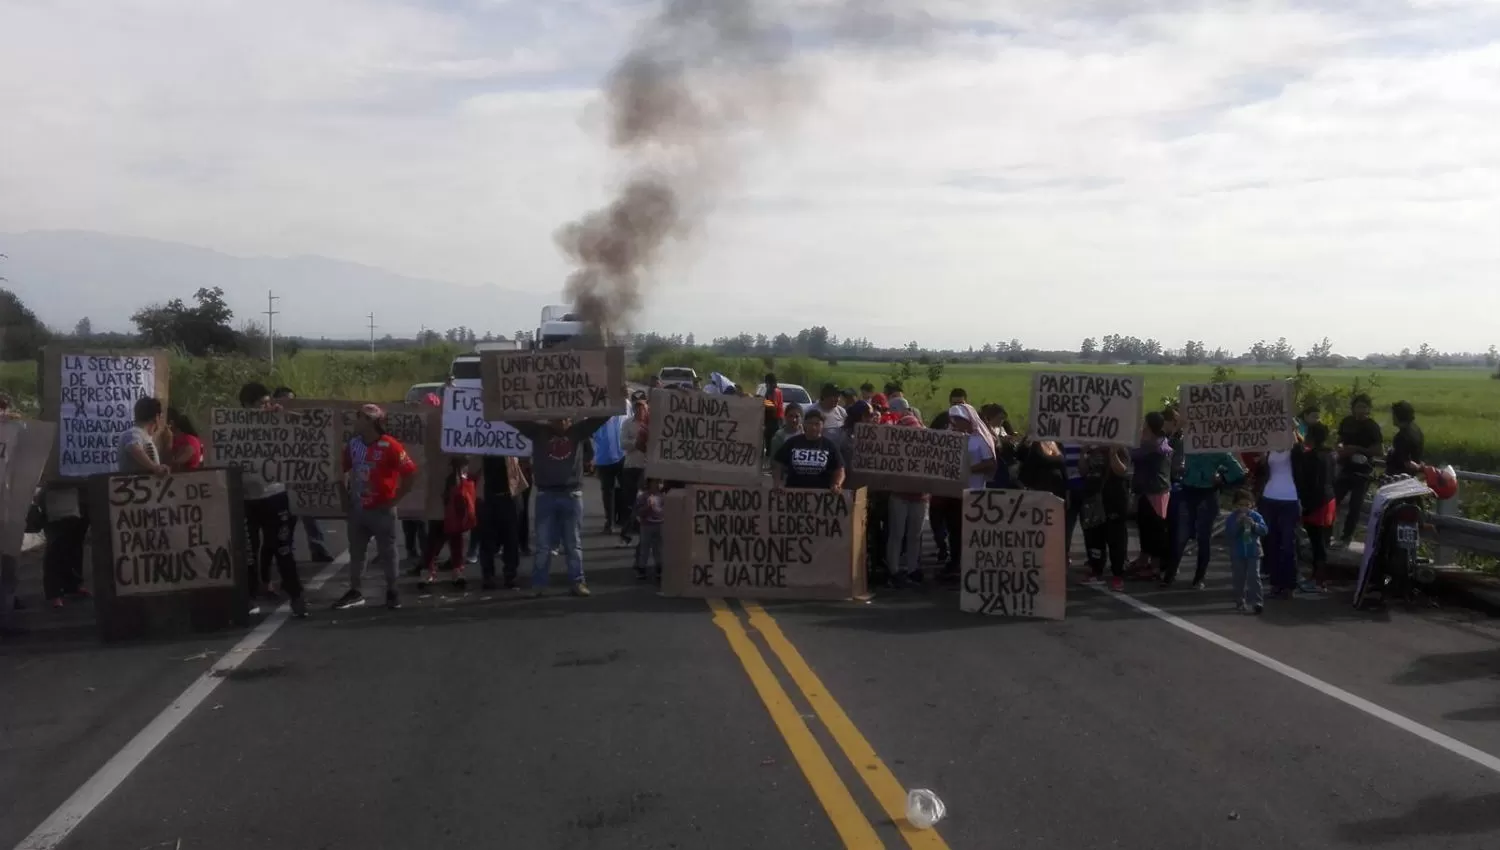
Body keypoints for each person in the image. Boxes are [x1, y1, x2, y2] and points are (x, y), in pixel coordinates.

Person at [508, 417, 613, 597]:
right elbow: (512, 418)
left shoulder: (579, 431)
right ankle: (539, 584)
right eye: (559, 417)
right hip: (546, 494)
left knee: (573, 544)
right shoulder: (537, 431)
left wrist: (617, 397)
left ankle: (577, 582)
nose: (563, 421)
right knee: (543, 545)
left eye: (567, 418)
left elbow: (602, 415)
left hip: (572, 493)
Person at [333, 403, 419, 611]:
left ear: (371, 422)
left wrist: (396, 498)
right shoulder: (353, 444)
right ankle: (355, 591)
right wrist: (344, 496)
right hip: (358, 507)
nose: (356, 421)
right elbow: (341, 470)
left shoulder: (390, 445)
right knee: (357, 551)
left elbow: (411, 472)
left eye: (360, 418)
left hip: (382, 508)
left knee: (388, 551)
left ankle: (392, 591)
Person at [237, 382, 309, 618]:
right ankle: (248, 597)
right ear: (246, 406)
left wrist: (283, 417)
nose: (265, 408)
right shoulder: (234, 427)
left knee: (283, 547)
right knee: (248, 551)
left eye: (267, 403)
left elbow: (306, 428)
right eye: (260, 404)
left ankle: (296, 594)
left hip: (274, 495)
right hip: (247, 498)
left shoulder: (277, 420)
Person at [271, 388, 334, 563]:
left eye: (292, 400)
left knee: (309, 514)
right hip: (281, 480)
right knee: (285, 520)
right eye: (284, 401)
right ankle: (287, 552)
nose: (288, 404)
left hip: (302, 475)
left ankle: (317, 548)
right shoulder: (268, 419)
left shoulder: (303, 418)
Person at [1171, 449, 1247, 589]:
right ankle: (1170, 573)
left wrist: (1222, 478)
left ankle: (1199, 577)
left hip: (1207, 494)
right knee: (1181, 535)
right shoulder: (1190, 444)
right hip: (1187, 491)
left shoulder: (1218, 449)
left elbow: (1238, 472)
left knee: (1203, 537)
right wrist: (1181, 470)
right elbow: (1178, 462)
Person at [943, 403, 997, 580]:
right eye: (954, 419)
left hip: (974, 492)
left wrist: (969, 468)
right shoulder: (951, 436)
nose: (956, 422)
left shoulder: (980, 439)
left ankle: (971, 564)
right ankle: (955, 562)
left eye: (960, 419)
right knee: (954, 529)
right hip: (954, 491)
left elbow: (990, 463)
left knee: (970, 530)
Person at [1078, 445, 1131, 592]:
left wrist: (1113, 453)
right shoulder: (1092, 451)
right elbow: (1083, 471)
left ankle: (1117, 575)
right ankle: (1096, 570)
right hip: (1093, 500)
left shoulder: (1121, 449)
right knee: (1093, 536)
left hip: (1114, 500)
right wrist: (1083, 454)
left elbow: (1122, 470)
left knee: (1116, 538)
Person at [927, 388, 971, 564]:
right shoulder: (941, 419)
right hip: (940, 478)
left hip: (959, 481)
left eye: (960, 403)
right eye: (954, 403)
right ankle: (941, 546)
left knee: (956, 524)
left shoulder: (973, 422)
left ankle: (954, 559)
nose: (957, 406)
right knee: (936, 518)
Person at [886, 410, 929, 587]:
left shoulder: (928, 448)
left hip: (919, 496)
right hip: (899, 495)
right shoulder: (892, 448)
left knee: (914, 535)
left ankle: (912, 569)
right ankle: (894, 570)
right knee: (897, 534)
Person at [1334, 393, 1383, 547]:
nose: (1361, 410)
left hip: (1362, 471)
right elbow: (1339, 441)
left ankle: (1346, 537)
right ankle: (1326, 533)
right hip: (1345, 468)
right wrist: (1341, 448)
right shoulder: (1347, 422)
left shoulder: (1372, 427)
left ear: (1369, 409)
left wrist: (1358, 449)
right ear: (1353, 408)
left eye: (1364, 407)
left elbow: (1378, 450)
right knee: (1333, 501)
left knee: (1355, 506)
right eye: (1358, 406)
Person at [1129, 412, 1173, 581]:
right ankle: (1144, 559)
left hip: (1156, 492)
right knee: (1145, 527)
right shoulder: (1155, 442)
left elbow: (1133, 454)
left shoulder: (1153, 446)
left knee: (1155, 530)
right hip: (1147, 490)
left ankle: (1154, 566)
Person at [421, 457, 476, 590]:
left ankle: (456, 569)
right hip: (439, 483)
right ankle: (429, 570)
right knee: (435, 534)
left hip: (455, 485)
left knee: (455, 534)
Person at [1295, 422, 1338, 592]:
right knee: (1322, 541)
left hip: (1315, 503)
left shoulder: (1310, 458)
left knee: (1316, 542)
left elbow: (1307, 483)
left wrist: (1304, 506)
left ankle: (1319, 581)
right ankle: (1317, 578)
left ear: (1310, 437)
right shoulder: (1330, 454)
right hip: (1329, 500)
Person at [1258, 444, 1303, 598]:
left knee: (1288, 543)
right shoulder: (1270, 448)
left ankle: (1289, 584)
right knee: (1272, 542)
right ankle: (1275, 583)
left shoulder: (1296, 450)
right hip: (1269, 497)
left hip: (1289, 499)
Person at [477, 454, 527, 590]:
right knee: (487, 539)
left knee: (511, 539)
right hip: (487, 498)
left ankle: (510, 574)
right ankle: (488, 576)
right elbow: (471, 470)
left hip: (510, 496)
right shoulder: (480, 448)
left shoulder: (509, 445)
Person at [773, 408, 845, 490]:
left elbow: (840, 469)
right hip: (793, 493)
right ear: (804, 424)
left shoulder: (830, 446)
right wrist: (777, 482)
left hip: (821, 495)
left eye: (817, 424)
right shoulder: (792, 442)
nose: (813, 427)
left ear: (823, 425)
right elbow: (777, 462)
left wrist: (837, 483)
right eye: (810, 423)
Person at [1225, 489, 1267, 615]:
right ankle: (1240, 601)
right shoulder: (1232, 518)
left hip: (1254, 551)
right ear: (1236, 505)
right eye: (1240, 505)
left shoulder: (1256, 516)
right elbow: (1230, 534)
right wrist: (1238, 524)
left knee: (1254, 577)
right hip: (1238, 553)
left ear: (1252, 505)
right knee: (1239, 578)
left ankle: (1257, 602)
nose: (1244, 508)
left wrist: (1254, 525)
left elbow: (1264, 530)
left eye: (1247, 505)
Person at [592, 400, 628, 535]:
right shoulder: (597, 412)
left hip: (621, 456)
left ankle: (625, 521)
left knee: (625, 490)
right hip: (604, 459)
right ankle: (609, 522)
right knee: (608, 493)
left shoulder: (624, 406)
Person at [619, 395, 649, 546]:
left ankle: (627, 532)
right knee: (632, 502)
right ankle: (631, 530)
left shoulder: (651, 425)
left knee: (642, 502)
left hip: (646, 468)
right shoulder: (627, 424)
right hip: (631, 466)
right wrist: (635, 443)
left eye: (643, 408)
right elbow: (623, 444)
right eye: (637, 408)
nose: (640, 411)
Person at [117, 396, 169, 476]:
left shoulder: (143, 436)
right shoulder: (132, 433)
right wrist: (155, 467)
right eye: (160, 417)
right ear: (156, 417)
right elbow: (133, 447)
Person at [634, 478, 667, 584]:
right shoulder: (643, 496)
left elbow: (665, 511)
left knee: (659, 548)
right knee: (645, 547)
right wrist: (648, 507)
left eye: (660, 482)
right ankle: (641, 568)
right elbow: (638, 512)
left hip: (660, 524)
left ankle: (659, 568)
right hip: (646, 525)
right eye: (656, 482)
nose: (658, 485)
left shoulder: (663, 497)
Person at [1387, 401, 1424, 475]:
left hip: (1400, 476)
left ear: (1398, 416)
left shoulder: (1401, 437)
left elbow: (1407, 463)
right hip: (1414, 473)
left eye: (1393, 415)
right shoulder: (1416, 429)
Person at [761, 373, 785, 458]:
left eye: (766, 382)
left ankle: (771, 460)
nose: (766, 385)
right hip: (774, 420)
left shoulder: (774, 391)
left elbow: (773, 406)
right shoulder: (776, 391)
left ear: (769, 382)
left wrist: (762, 402)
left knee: (771, 442)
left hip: (774, 420)